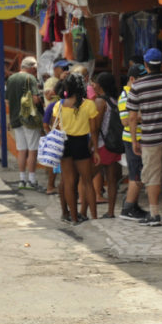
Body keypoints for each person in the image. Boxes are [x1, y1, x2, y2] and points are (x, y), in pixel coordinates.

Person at [126, 47, 162, 226]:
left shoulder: (137, 86)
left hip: (149, 139)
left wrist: (135, 140)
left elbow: (132, 117)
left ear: (145, 64)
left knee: (152, 177)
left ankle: (155, 214)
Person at [51, 74, 99, 224]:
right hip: (81, 143)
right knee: (87, 182)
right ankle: (94, 216)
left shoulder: (59, 105)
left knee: (68, 182)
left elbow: (56, 127)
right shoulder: (89, 105)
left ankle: (73, 217)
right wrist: (95, 149)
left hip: (65, 144)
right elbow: (94, 130)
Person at [5, 57, 43, 190]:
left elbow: (8, 99)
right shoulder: (30, 78)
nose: (36, 71)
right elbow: (35, 99)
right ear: (31, 67)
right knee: (32, 151)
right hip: (29, 119)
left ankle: (22, 179)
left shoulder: (11, 79)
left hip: (15, 118)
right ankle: (32, 180)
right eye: (35, 68)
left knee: (21, 150)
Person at [118, 63, 149, 220]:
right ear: (132, 79)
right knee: (135, 174)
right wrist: (145, 116)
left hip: (140, 138)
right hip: (132, 140)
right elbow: (125, 120)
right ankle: (128, 209)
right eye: (141, 79)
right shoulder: (125, 96)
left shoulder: (137, 94)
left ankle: (133, 204)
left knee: (139, 173)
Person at [91, 72, 123, 218]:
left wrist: (94, 148)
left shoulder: (99, 102)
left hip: (101, 145)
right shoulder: (114, 101)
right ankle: (110, 211)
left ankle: (90, 211)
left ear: (100, 85)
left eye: (95, 82)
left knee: (87, 178)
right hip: (113, 144)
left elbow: (95, 128)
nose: (93, 85)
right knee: (111, 180)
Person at [41, 77, 61, 196]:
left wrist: (50, 134)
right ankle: (53, 186)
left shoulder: (52, 105)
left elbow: (45, 123)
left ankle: (50, 186)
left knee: (53, 164)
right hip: (64, 137)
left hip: (54, 137)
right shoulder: (65, 104)